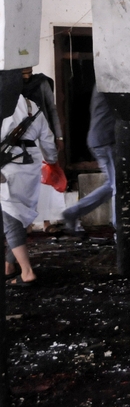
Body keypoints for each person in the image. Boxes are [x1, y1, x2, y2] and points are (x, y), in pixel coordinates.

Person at [2, 95, 59, 286]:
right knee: (20, 216)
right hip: (31, 167)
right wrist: (51, 161)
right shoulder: (30, 105)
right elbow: (47, 138)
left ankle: (27, 272)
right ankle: (9, 264)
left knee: (10, 217)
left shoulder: (3, 103)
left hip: (7, 168)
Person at [61, 86, 117, 231]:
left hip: (99, 137)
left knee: (112, 184)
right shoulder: (109, 84)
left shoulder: (102, 84)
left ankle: (73, 212)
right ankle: (120, 229)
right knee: (118, 186)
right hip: (106, 138)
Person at [21, 67, 64, 152]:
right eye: (23, 74)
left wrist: (59, 137)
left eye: (29, 73)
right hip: (22, 136)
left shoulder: (41, 82)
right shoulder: (12, 87)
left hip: (43, 133)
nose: (27, 76)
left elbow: (52, 109)